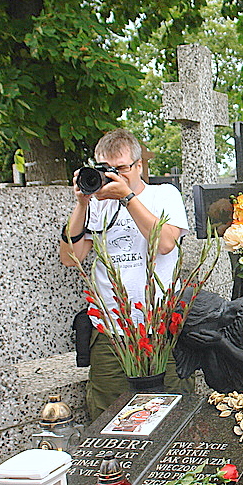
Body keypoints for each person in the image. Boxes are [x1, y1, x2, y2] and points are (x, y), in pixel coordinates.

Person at [60, 129, 193, 419]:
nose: (113, 176)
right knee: (107, 416)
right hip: (111, 330)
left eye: (120, 168)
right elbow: (70, 258)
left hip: (160, 327)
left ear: (139, 165)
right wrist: (82, 203)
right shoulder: (96, 205)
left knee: (173, 413)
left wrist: (127, 198)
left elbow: (165, 244)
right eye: (105, 169)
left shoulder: (163, 194)